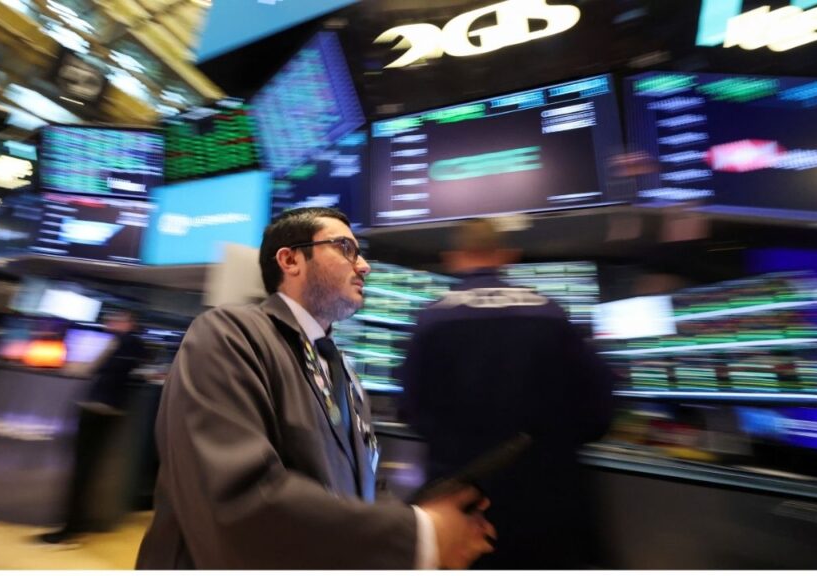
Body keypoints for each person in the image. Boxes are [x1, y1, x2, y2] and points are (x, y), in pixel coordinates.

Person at [135, 207, 495, 569]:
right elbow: (238, 498)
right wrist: (421, 535)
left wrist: (426, 516)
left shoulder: (344, 371)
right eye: (345, 248)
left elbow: (364, 492)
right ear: (290, 260)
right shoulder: (228, 335)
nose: (364, 265)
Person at [399, 217, 617, 569]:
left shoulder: (430, 320)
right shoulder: (551, 313)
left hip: (464, 507)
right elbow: (598, 411)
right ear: (506, 256)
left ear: (453, 258)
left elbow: (411, 411)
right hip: (550, 503)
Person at [38, 309, 146, 547]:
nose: (110, 323)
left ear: (128, 321)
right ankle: (77, 525)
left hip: (95, 408)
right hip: (113, 410)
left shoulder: (119, 342)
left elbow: (90, 368)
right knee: (89, 470)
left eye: (115, 319)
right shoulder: (139, 346)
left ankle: (70, 531)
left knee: (81, 471)